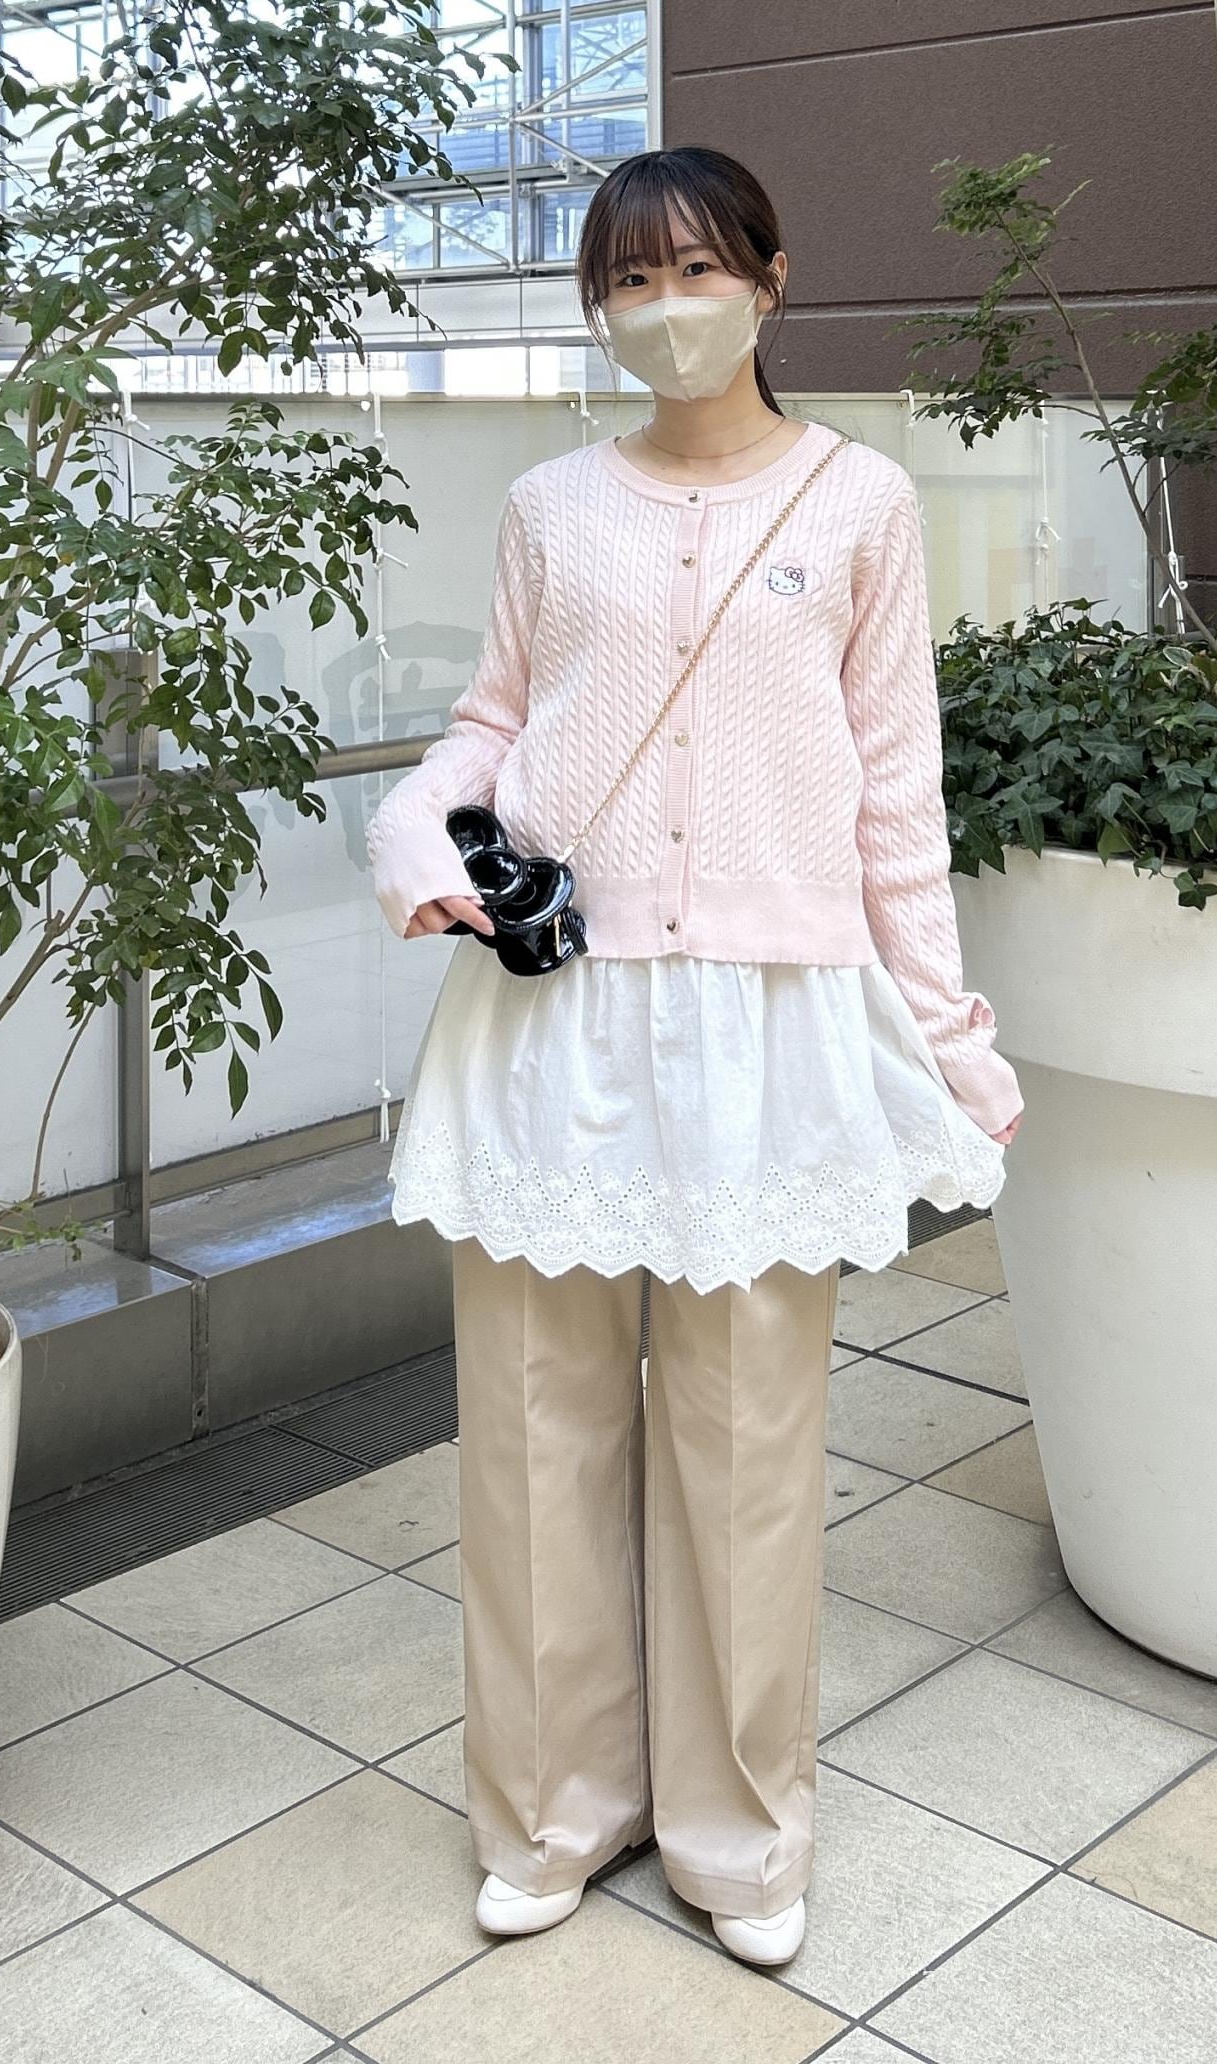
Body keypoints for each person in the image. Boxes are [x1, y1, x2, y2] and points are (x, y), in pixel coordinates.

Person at [365, 145, 1024, 1968]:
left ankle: (742, 1833)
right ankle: (550, 1809)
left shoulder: (862, 501)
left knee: (747, 1440)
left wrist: (948, 1033)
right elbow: (495, 719)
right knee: (531, 1428)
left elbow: (896, 797)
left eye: (697, 271)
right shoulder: (550, 506)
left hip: (765, 1026)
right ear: (604, 308)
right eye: (630, 282)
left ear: (770, 280)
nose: (666, 310)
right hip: (553, 1017)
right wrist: (419, 833)